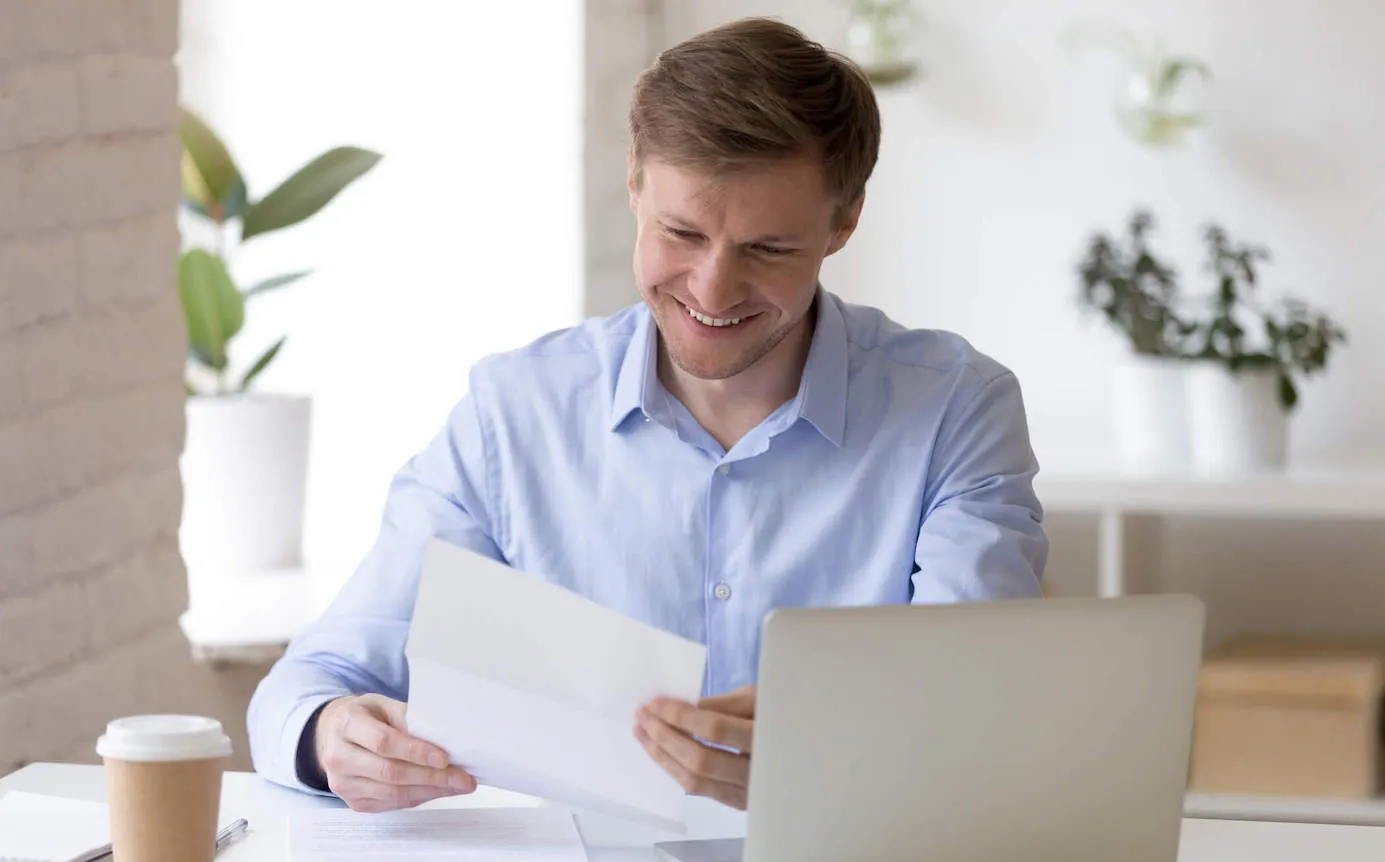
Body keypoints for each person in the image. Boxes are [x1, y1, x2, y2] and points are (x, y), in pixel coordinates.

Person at [248, 17, 1047, 814]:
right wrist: (334, 738)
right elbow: (312, 683)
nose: (711, 288)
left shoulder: (954, 412)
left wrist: (833, 747)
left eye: (767, 250)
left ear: (842, 223)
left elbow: (973, 710)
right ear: (634, 183)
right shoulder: (515, 416)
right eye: (681, 232)